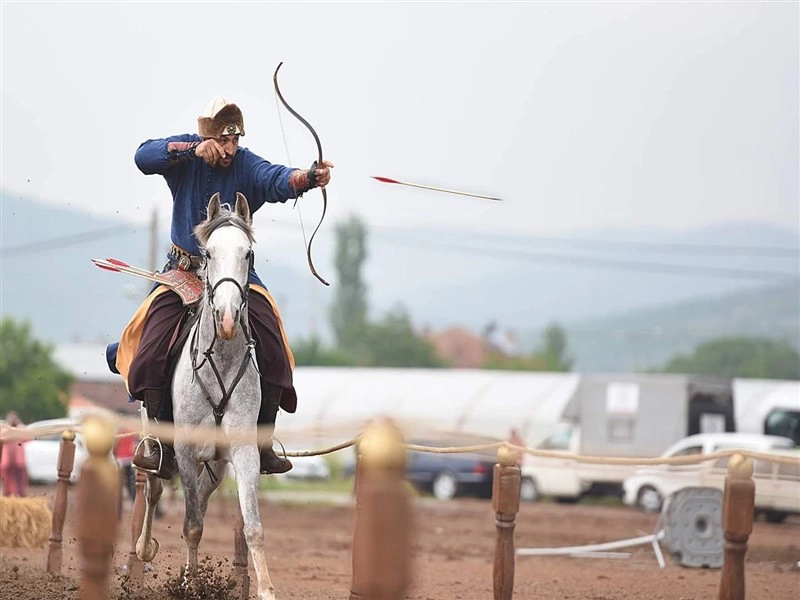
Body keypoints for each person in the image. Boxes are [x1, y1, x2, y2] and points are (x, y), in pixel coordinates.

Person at [114, 95, 333, 480]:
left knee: (276, 350)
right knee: (149, 351)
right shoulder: (185, 156)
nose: (231, 148)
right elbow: (142, 157)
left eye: (236, 140)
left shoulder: (245, 163)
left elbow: (274, 177)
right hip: (184, 272)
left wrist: (305, 178)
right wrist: (192, 151)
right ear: (210, 136)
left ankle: (262, 445)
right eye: (224, 140)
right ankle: (160, 445)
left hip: (234, 274)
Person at [1, 412, 29, 497]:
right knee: (7, 483)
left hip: (18, 462)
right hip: (7, 462)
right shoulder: (4, 429)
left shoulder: (20, 430)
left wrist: (18, 425)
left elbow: (28, 437)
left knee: (20, 483)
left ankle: (20, 497)